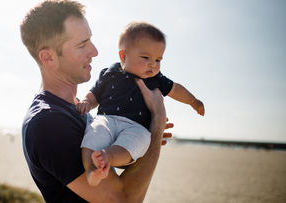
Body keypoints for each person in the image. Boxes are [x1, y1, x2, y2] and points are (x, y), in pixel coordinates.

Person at [20, 0, 173, 203]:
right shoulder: (48, 123)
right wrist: (157, 122)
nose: (95, 52)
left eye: (90, 40)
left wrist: (136, 140)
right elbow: (124, 199)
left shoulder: (75, 110)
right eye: (82, 45)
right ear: (48, 58)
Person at [77, 22, 205, 186]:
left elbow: (175, 89)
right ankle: (93, 172)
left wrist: (193, 101)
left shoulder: (156, 79)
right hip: (106, 119)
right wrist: (87, 102)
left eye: (158, 59)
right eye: (146, 57)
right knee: (94, 133)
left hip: (134, 126)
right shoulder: (110, 72)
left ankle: (107, 157)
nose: (153, 64)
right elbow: (95, 93)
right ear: (123, 56)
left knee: (142, 137)